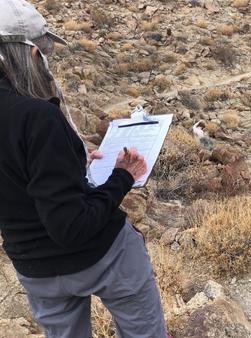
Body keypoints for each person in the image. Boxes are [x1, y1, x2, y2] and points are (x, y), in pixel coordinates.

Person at [0, 1, 167, 337]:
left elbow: (15, 176)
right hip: (100, 255)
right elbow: (70, 227)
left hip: (36, 269)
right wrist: (122, 176)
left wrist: (69, 162)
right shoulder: (36, 115)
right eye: (44, 53)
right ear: (30, 54)